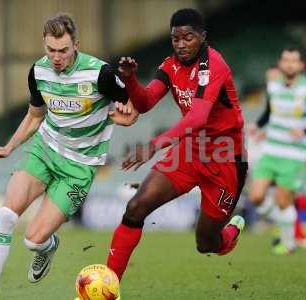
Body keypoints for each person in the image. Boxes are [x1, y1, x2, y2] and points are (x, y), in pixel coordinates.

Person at [0, 13, 137, 300]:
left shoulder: (100, 73)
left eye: (63, 50)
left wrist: (128, 116)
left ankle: (46, 246)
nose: (56, 57)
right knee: (6, 215)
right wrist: (9, 147)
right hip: (45, 150)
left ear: (76, 44)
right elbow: (35, 116)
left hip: (79, 166)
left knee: (32, 239)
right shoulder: (38, 71)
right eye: (51, 50)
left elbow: (132, 105)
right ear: (44, 44)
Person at [106, 8, 248, 281]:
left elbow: (197, 117)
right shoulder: (169, 65)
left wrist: (154, 144)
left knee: (205, 243)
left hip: (225, 159)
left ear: (202, 37)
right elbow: (145, 102)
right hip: (189, 151)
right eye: (175, 39)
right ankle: (107, 287)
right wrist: (131, 80)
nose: (181, 45)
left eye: (188, 38)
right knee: (136, 207)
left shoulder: (214, 65)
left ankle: (231, 233)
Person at [249, 47, 306, 255]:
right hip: (271, 150)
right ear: (280, 64)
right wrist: (258, 125)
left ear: (301, 65)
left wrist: (303, 129)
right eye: (286, 60)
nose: (290, 64)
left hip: (293, 155)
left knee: (283, 202)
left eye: (294, 61)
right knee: (256, 196)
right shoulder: (272, 85)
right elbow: (269, 111)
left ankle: (289, 243)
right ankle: (285, 227)